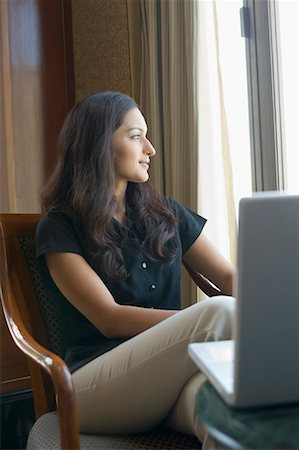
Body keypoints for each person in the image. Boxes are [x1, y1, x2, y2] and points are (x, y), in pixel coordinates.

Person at [36, 91, 235, 446]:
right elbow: (109, 318)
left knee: (225, 410)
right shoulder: (60, 225)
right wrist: (199, 320)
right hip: (91, 388)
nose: (150, 148)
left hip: (164, 382)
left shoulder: (166, 214)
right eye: (135, 136)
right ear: (98, 145)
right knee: (219, 312)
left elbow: (230, 278)